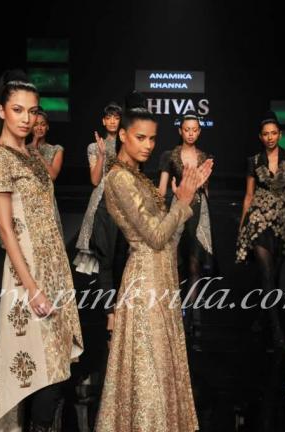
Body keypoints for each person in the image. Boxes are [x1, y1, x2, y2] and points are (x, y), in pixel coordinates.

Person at [95, 93, 212, 432]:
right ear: (122, 135)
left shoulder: (137, 176)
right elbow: (156, 237)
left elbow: (168, 237)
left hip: (161, 275)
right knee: (150, 367)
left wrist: (184, 198)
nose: (148, 145)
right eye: (140, 137)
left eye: (152, 139)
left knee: (160, 365)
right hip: (145, 281)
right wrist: (183, 201)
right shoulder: (118, 178)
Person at [0, 70, 83, 432]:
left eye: (32, 111)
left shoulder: (31, 155)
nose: (26, 118)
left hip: (52, 264)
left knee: (54, 365)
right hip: (26, 272)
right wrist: (32, 287)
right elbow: (5, 228)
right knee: (37, 368)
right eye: (18, 110)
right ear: (1, 111)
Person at [235, 110, 285, 350]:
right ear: (260, 136)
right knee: (267, 274)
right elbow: (248, 196)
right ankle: (277, 330)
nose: (270, 137)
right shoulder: (254, 161)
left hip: (283, 222)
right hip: (258, 220)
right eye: (266, 134)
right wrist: (242, 225)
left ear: (280, 134)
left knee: (274, 277)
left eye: (274, 133)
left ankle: (261, 316)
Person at [158, 110, 215, 336]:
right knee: (175, 264)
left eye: (194, 130)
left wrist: (207, 212)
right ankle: (175, 315)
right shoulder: (169, 156)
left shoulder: (204, 156)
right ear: (180, 131)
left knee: (194, 264)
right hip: (177, 209)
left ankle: (195, 316)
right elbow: (161, 190)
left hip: (199, 211)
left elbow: (206, 190)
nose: (190, 133)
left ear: (199, 132)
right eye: (186, 129)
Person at [73, 101, 128, 332]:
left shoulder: (129, 144)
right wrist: (103, 155)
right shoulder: (94, 147)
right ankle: (110, 313)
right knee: (105, 260)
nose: (113, 121)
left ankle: (120, 307)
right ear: (104, 121)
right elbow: (95, 180)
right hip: (102, 206)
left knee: (121, 261)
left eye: (117, 117)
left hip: (125, 208)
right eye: (109, 118)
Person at [28, 107, 64, 236]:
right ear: (30, 127)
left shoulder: (56, 149)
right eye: (35, 124)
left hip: (46, 199)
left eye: (42, 124)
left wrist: (39, 155)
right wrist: (33, 144)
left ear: (47, 127)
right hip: (28, 199)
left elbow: (53, 175)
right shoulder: (22, 150)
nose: (39, 128)